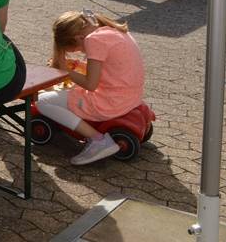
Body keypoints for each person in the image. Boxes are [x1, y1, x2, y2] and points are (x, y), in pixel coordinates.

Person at [37, 10, 145, 165]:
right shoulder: (111, 30)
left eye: (78, 49)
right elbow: (111, 67)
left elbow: (90, 85)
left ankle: (98, 141)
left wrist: (65, 71)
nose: (81, 51)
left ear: (78, 38)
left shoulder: (93, 40)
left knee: (42, 102)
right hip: (131, 97)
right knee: (67, 93)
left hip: (110, 103)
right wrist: (79, 66)